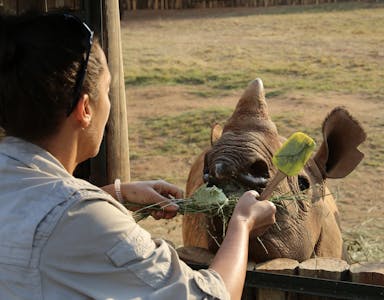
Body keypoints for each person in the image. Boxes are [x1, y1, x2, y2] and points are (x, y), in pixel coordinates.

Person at [0, 13, 276, 300]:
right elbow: (211, 296)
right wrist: (241, 225)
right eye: (107, 91)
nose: (109, 103)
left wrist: (115, 195)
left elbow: (31, 217)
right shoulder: (85, 220)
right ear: (85, 109)